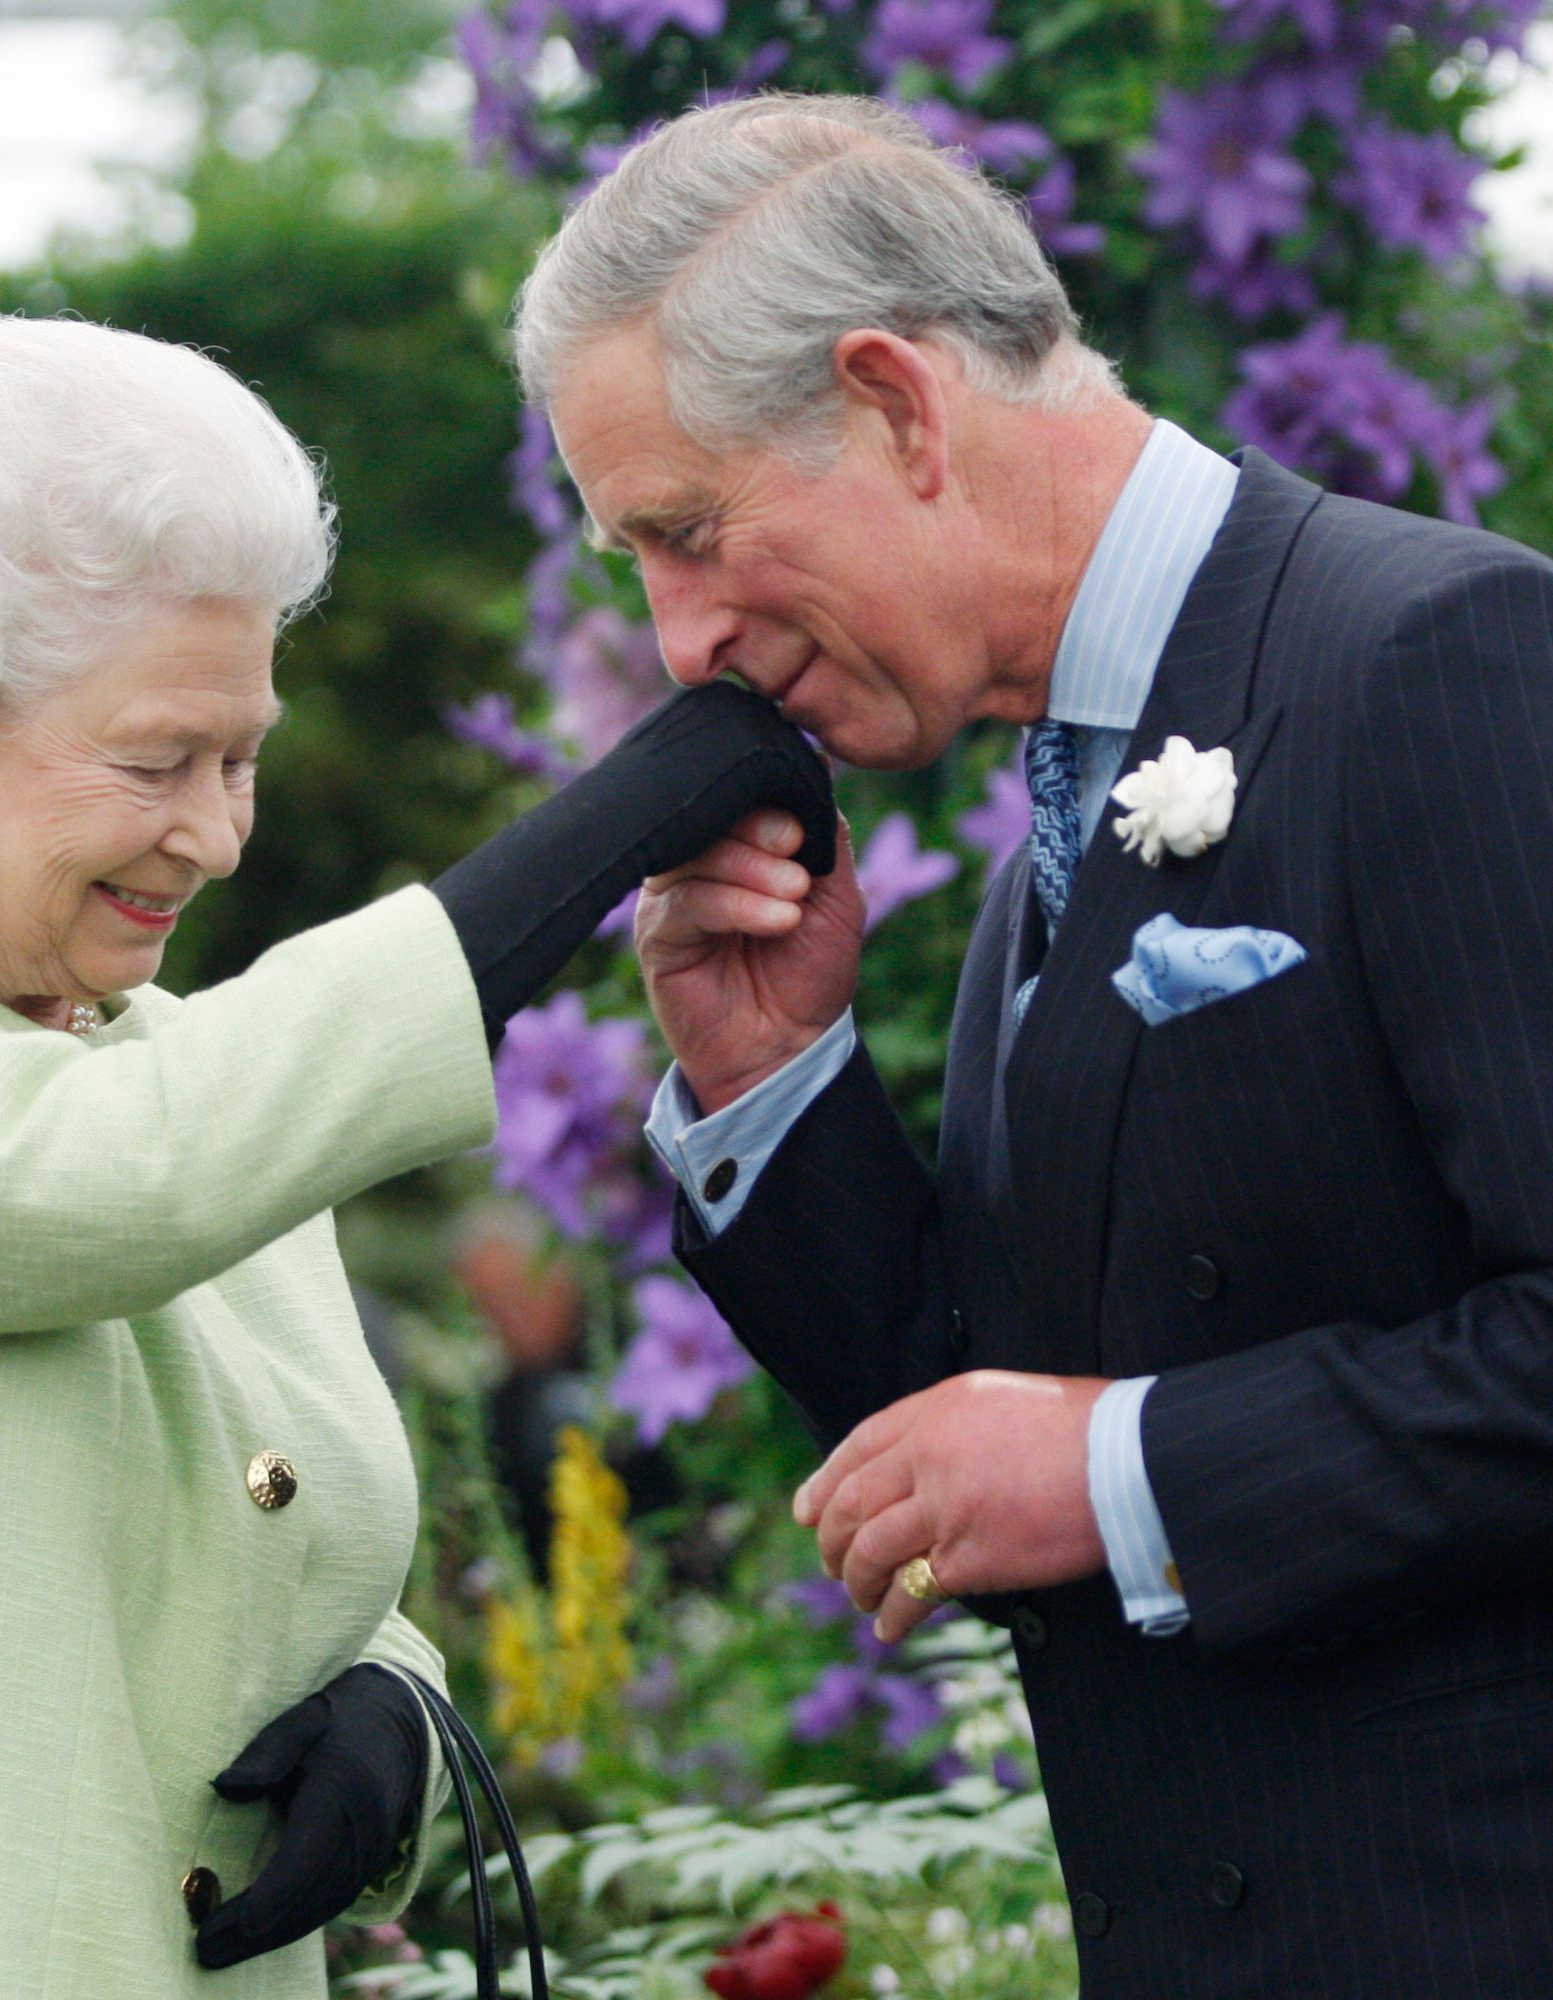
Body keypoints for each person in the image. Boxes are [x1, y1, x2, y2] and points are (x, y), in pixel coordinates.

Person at [0, 315, 834, 1999]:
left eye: (241, 757)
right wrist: (604, 830)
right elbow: (96, 1182)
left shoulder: (193, 1082)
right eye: (156, 761)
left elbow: (247, 1538)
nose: (219, 833)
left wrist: (394, 1714)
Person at [516, 91, 1553, 1998]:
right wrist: (770, 1082)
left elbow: (1091, 1464)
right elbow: (978, 1460)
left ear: (897, 408)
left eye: (687, 532)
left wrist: (1129, 1475)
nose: (676, 641)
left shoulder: (1436, 655)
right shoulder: (1056, 822)